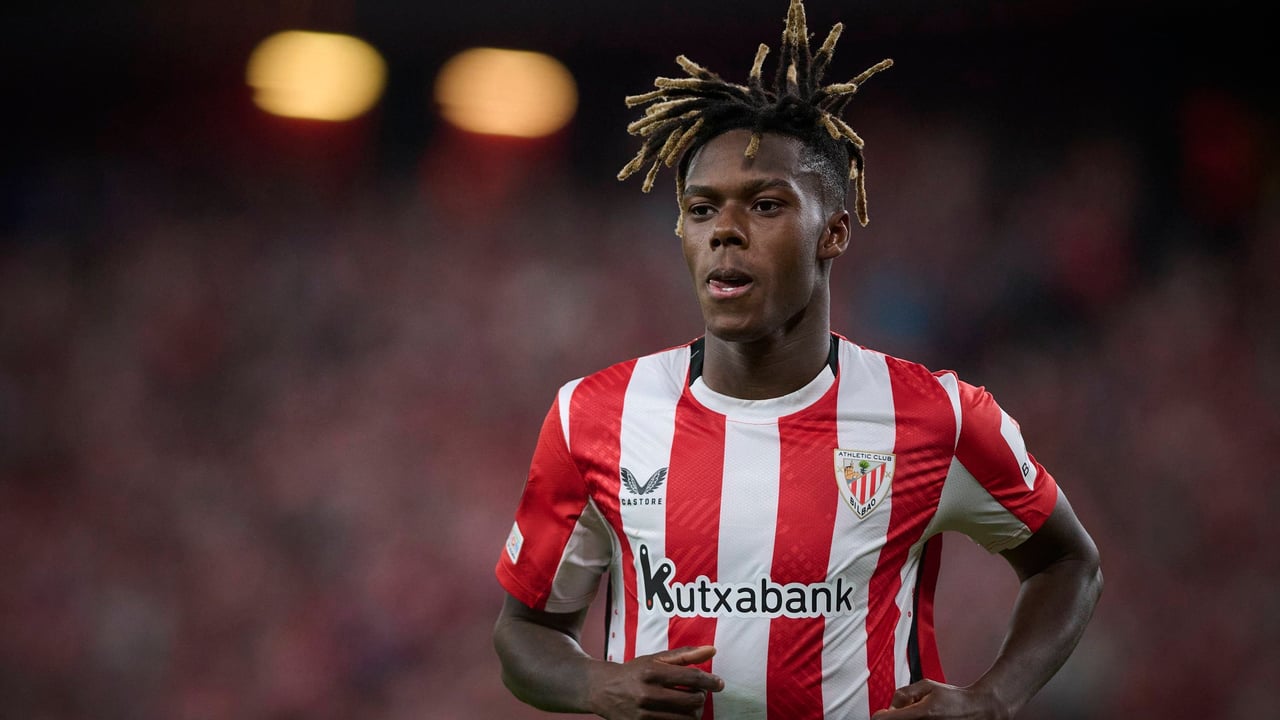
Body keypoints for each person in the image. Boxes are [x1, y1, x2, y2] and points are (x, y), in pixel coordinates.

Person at [491, 1, 1103, 718]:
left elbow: (1068, 563)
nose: (725, 231)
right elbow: (524, 633)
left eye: (765, 205)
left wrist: (992, 698)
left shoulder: (938, 418)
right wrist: (595, 683)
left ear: (833, 232)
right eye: (701, 209)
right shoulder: (594, 416)